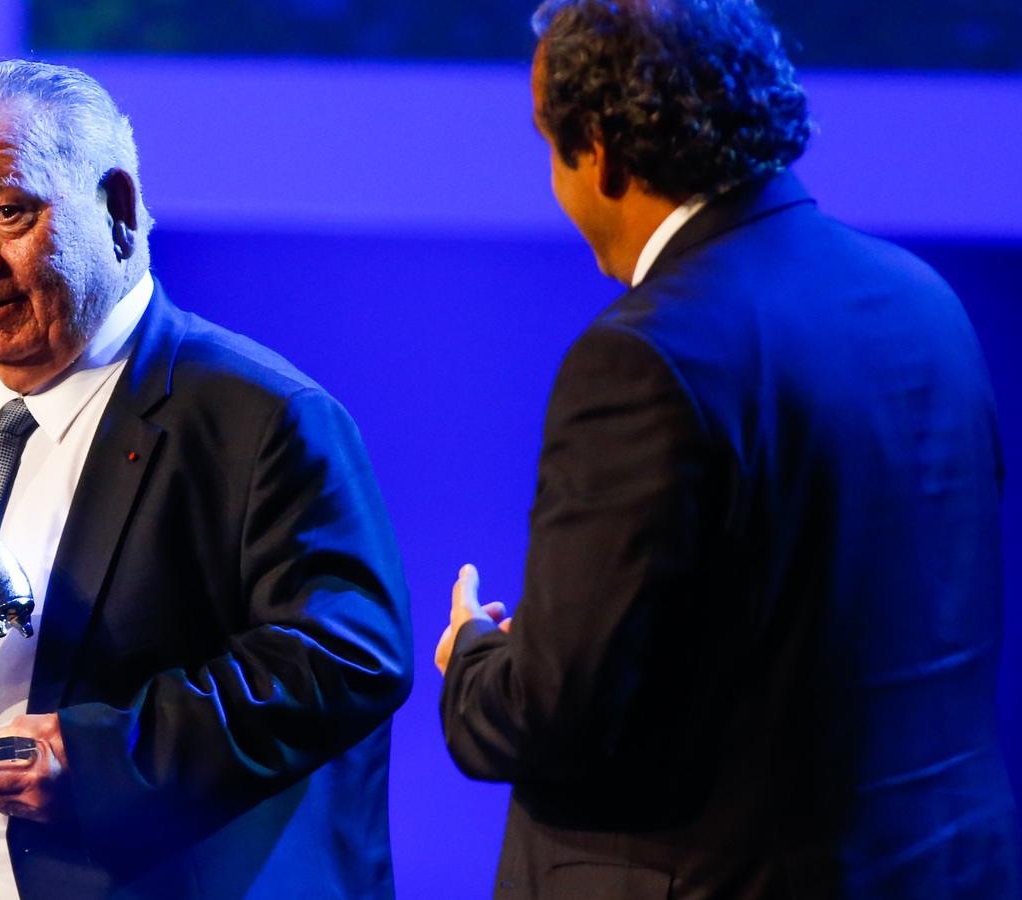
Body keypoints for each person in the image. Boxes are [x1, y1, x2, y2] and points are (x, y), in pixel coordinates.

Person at [0, 60, 413, 899]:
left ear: (117, 210)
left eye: (7, 214)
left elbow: (347, 654)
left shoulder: (261, 417)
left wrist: (109, 759)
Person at [436, 0, 1021, 897]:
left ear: (600, 149)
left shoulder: (643, 356)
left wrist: (474, 658)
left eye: (549, 145)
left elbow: (557, 715)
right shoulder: (924, 302)